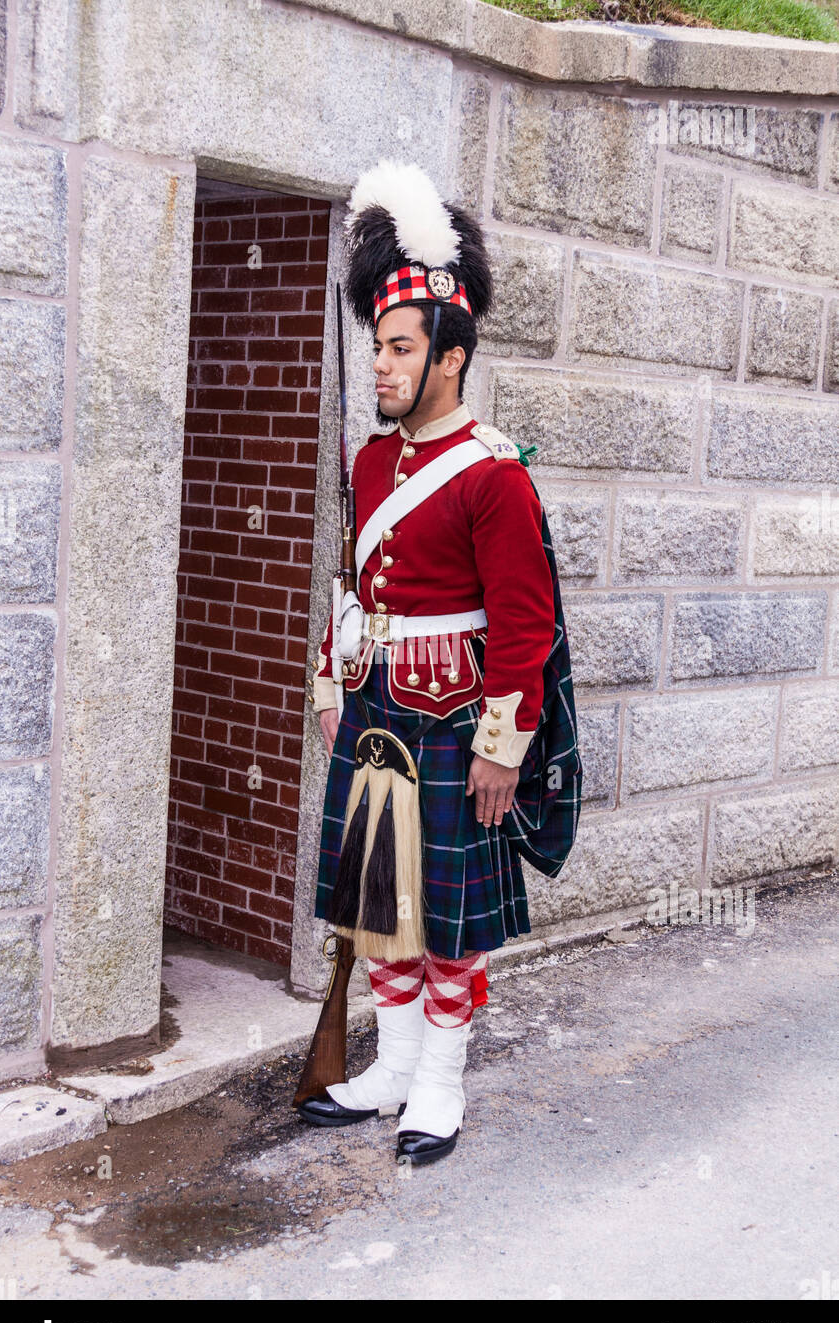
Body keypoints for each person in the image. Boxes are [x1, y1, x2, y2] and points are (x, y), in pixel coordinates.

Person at [298, 159, 573, 1166]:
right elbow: (348, 577)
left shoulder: (493, 476)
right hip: (371, 708)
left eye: (400, 347)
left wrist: (503, 745)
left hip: (456, 718)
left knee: (450, 918)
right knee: (382, 901)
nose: (380, 365)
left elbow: (523, 622)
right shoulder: (369, 460)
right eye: (377, 344)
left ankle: (440, 1081)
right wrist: (331, 676)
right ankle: (390, 1064)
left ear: (448, 358)